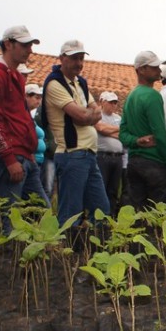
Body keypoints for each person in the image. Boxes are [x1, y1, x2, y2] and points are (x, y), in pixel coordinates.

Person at [0, 25, 47, 213]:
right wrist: (9, 159)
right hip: (9, 157)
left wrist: (29, 150)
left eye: (30, 45)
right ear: (8, 44)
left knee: (41, 213)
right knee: (6, 218)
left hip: (24, 156)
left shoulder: (16, 76)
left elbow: (22, 117)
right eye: (25, 45)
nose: (30, 50)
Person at [42, 39, 109, 224]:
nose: (79, 63)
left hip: (87, 154)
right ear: (62, 58)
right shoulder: (55, 84)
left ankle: (92, 250)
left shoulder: (79, 83)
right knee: (71, 213)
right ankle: (67, 251)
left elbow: (97, 112)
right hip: (72, 154)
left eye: (81, 58)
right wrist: (88, 115)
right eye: (74, 58)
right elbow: (81, 115)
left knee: (102, 210)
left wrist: (87, 115)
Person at [119, 50, 166, 210]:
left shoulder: (130, 97)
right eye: (154, 67)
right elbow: (160, 134)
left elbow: (122, 134)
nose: (159, 71)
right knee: (158, 215)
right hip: (154, 163)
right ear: (141, 70)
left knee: (137, 214)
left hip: (134, 163)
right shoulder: (153, 96)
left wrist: (136, 141)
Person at [95, 91, 124, 215]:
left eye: (115, 103)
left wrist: (109, 130)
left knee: (113, 189)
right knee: (101, 188)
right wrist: (119, 129)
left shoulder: (118, 118)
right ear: (102, 102)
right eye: (111, 102)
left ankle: (110, 216)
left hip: (117, 158)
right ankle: (100, 217)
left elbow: (123, 135)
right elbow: (101, 128)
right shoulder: (97, 116)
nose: (113, 105)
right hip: (102, 156)